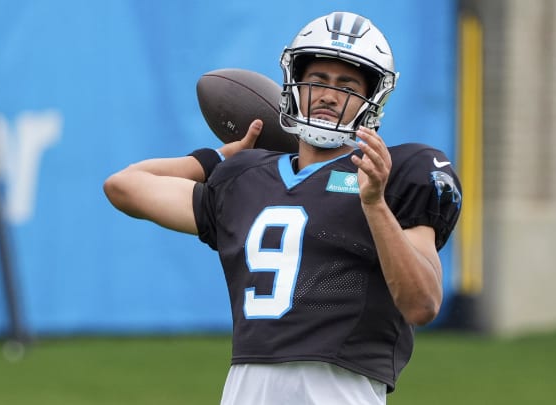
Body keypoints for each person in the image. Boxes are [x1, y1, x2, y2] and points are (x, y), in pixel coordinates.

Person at [104, 11, 461, 405]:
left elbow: (421, 303)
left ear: (371, 98)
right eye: (317, 80)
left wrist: (375, 203)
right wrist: (215, 158)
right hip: (247, 390)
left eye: (346, 85)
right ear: (293, 83)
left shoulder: (397, 173)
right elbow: (124, 186)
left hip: (337, 389)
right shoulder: (245, 178)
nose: (328, 94)